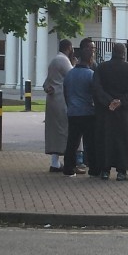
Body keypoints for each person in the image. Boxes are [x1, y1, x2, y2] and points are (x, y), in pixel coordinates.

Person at [91, 42, 128, 181]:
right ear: (124, 53)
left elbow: (96, 87)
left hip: (105, 111)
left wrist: (108, 101)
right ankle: (122, 171)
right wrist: (121, 101)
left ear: (112, 52)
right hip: (125, 111)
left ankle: (105, 170)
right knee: (123, 141)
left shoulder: (101, 68)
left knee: (105, 139)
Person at [62, 46, 96, 176]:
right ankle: (93, 169)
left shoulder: (70, 74)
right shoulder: (91, 75)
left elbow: (65, 93)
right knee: (90, 143)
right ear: (90, 59)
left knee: (72, 142)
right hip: (87, 112)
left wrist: (70, 105)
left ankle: (68, 168)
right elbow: (94, 93)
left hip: (73, 112)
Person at [43, 39, 74, 172]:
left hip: (52, 99)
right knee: (65, 130)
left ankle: (54, 162)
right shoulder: (64, 60)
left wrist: (47, 88)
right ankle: (69, 161)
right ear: (68, 48)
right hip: (61, 99)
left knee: (54, 131)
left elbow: (47, 82)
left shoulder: (54, 60)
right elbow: (72, 76)